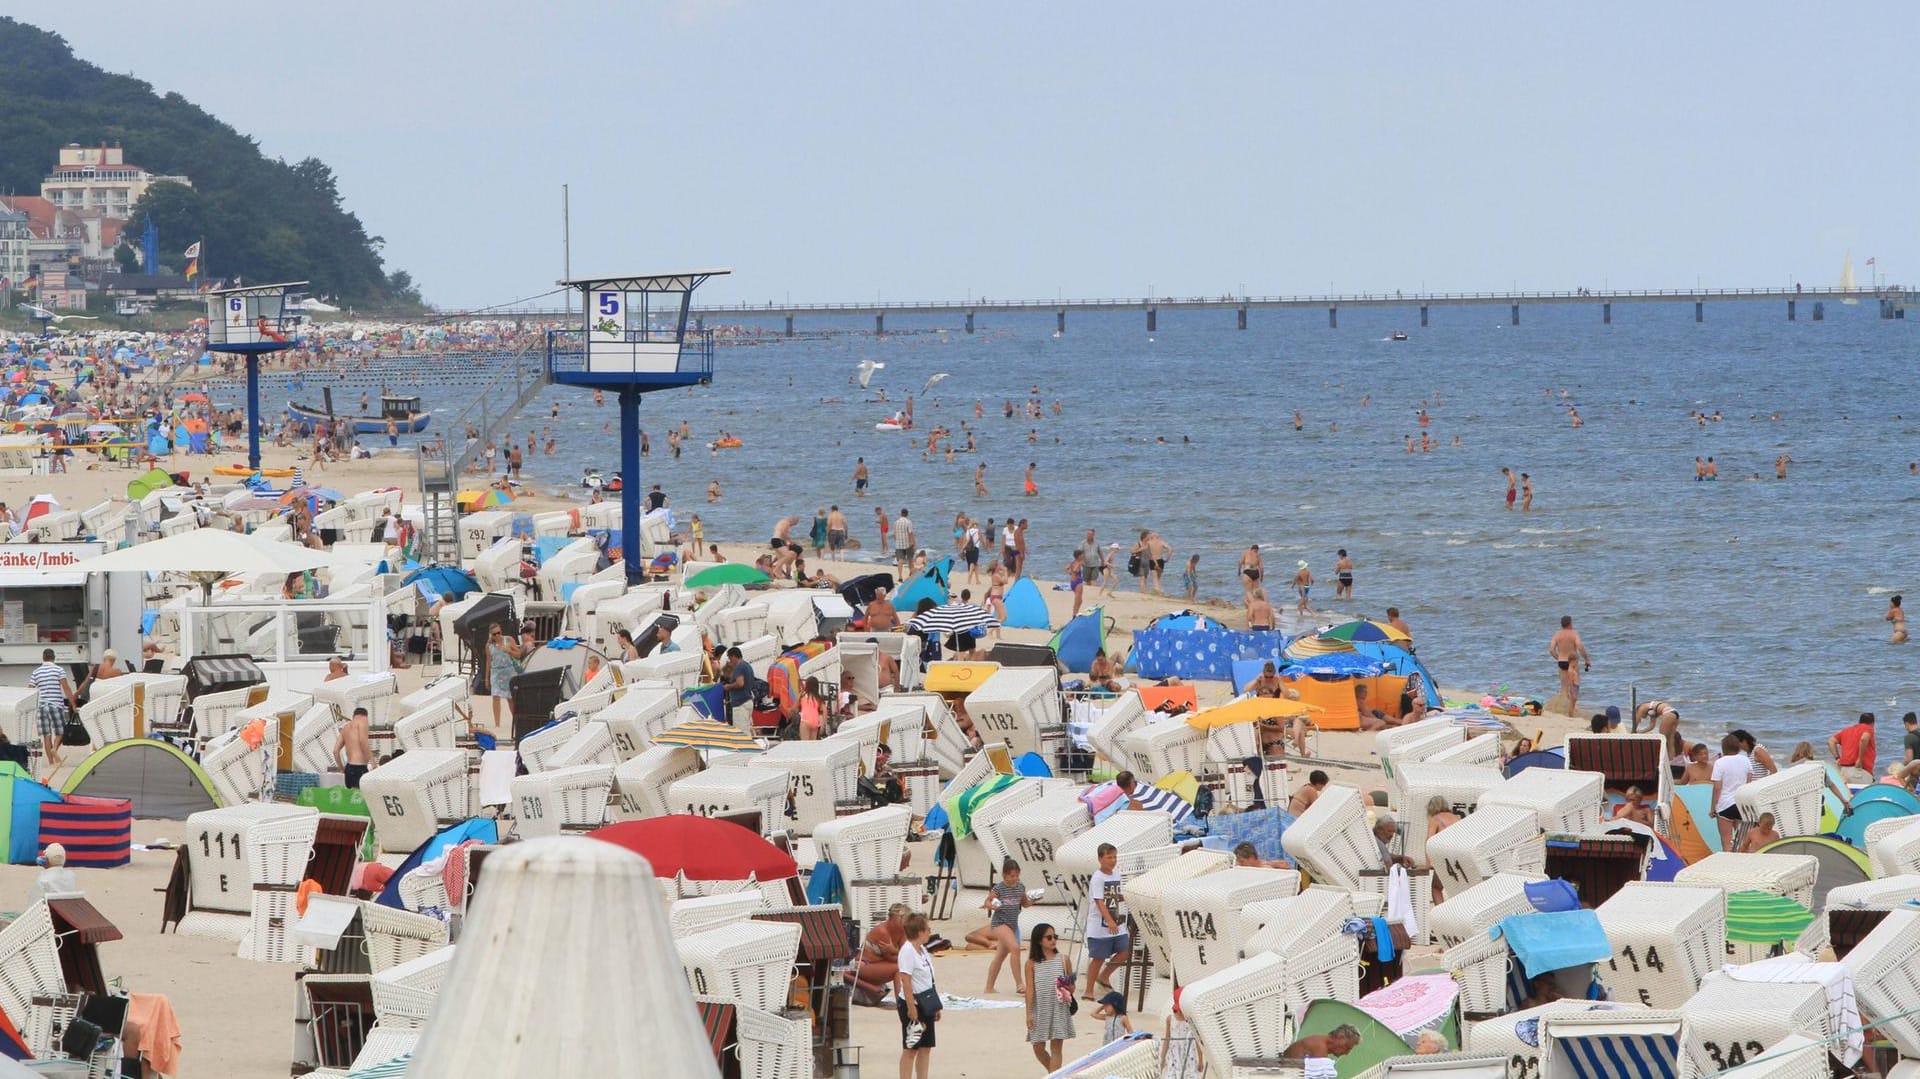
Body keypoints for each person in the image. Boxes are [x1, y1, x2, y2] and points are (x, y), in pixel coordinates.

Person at [966, 858, 1032, 994]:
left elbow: (1025, 903)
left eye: (1016, 876)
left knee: (1000, 956)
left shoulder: (1020, 887)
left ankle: (989, 987)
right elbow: (988, 901)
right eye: (1011, 876)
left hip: (1012, 925)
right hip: (1000, 923)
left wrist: (1035, 900)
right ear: (1004, 875)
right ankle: (1020, 984)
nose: (1014, 879)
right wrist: (991, 906)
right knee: (1015, 948)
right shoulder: (999, 888)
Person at [1023, 922, 1075, 1071]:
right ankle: (1055, 1074)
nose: (1053, 940)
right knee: (1038, 1047)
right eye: (1049, 937)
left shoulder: (1064, 960)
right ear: (1039, 941)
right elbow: (1030, 990)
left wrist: (1067, 985)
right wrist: (1028, 1014)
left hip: (1059, 1007)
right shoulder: (1031, 964)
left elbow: (1072, 988)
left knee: (1056, 1049)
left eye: (1055, 937)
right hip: (1040, 1009)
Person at [1083, 843, 1131, 999]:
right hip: (1099, 924)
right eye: (1109, 857)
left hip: (1115, 919)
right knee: (1098, 957)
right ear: (1100, 859)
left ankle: (1104, 975)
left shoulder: (1116, 874)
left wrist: (1127, 897)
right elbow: (1099, 901)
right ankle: (1088, 990)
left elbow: (1114, 895)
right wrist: (1109, 921)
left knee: (1124, 951)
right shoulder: (1098, 878)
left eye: (1114, 857)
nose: (1112, 860)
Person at [893, 912, 939, 1076]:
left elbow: (928, 978)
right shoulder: (907, 951)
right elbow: (905, 980)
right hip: (912, 1003)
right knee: (911, 1048)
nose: (929, 932)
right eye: (927, 929)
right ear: (919, 931)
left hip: (926, 1002)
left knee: (926, 1047)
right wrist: (911, 1007)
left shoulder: (923, 950)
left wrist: (935, 1006)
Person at [850, 903, 909, 1003]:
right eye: (902, 918)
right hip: (862, 965)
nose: (905, 921)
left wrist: (894, 950)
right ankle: (901, 1003)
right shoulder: (882, 931)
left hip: (877, 964)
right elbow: (892, 958)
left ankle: (906, 999)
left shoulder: (902, 931)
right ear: (892, 918)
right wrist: (897, 954)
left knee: (906, 966)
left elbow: (906, 954)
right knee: (898, 968)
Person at [29, 647, 75, 774]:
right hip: (56, 704)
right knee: (60, 731)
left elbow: (30, 690)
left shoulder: (36, 672)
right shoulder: (59, 670)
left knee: (46, 734)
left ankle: (50, 762)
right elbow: (66, 688)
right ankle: (55, 748)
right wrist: (73, 703)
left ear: (43, 658)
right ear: (54, 658)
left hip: (42, 705)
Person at [1711, 733, 1752, 850]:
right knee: (1743, 842)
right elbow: (1749, 784)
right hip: (1742, 804)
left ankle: (1729, 866)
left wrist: (1713, 807)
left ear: (1723, 747)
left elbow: (1717, 788)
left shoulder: (1719, 763)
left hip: (1725, 806)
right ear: (1738, 747)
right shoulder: (1746, 760)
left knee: (1727, 842)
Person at [1548, 616, 1591, 711]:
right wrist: (1587, 659)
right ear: (1570, 623)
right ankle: (1572, 708)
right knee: (1574, 684)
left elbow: (1551, 650)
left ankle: (1562, 707)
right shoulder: (1574, 633)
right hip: (1572, 662)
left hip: (1561, 662)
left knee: (1564, 687)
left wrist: (1558, 658)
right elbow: (1579, 646)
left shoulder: (1557, 634)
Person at [485, 624, 522, 729]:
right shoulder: (489, 646)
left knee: (510, 698)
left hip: (509, 671)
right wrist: (487, 679)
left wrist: (509, 651)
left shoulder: (508, 640)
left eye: (498, 633)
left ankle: (515, 721)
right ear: (491, 635)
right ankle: (497, 724)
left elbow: (519, 654)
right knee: (495, 697)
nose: (497, 635)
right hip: (496, 672)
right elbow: (488, 662)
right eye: (494, 634)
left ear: (501, 631)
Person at [1829, 712, 1877, 786]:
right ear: (1872, 723)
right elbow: (1864, 739)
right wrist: (1860, 760)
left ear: (1859, 721)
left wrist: (1837, 758)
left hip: (1843, 770)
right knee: (1864, 795)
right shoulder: (1868, 728)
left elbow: (1831, 741)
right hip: (1859, 771)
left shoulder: (1847, 730)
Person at [334, 706, 371, 788]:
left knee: (351, 797)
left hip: (348, 768)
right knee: (360, 797)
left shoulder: (345, 729)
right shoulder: (362, 726)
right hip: (360, 767)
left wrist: (341, 769)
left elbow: (335, 751)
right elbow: (363, 743)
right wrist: (372, 760)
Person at [1284, 1025, 1360, 1064]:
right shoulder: (1320, 1047)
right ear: (1340, 1037)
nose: (1347, 1053)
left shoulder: (1319, 1041)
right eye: (1347, 1047)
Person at [723, 647, 755, 727]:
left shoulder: (739, 667)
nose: (730, 661)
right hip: (748, 701)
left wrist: (728, 686)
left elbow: (740, 683)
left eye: (730, 658)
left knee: (741, 731)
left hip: (740, 704)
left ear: (733, 656)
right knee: (747, 728)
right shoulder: (747, 666)